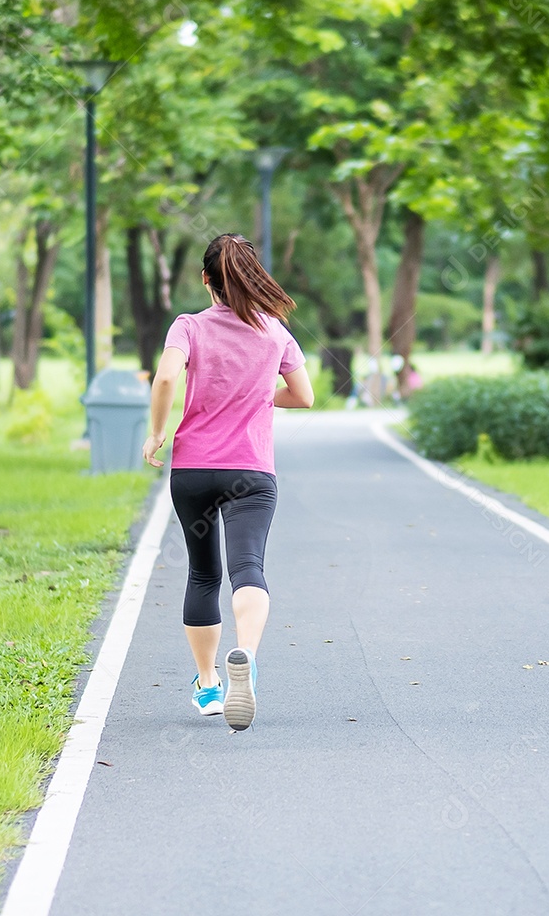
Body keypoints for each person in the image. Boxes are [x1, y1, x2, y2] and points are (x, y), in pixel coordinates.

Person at [142, 233, 314, 732]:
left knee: (202, 574)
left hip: (193, 470)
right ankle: (248, 659)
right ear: (252, 275)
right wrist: (259, 395)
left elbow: (167, 379)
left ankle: (209, 684)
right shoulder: (275, 331)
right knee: (247, 567)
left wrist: (157, 433)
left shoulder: (188, 326)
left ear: (205, 279)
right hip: (251, 471)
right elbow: (303, 396)